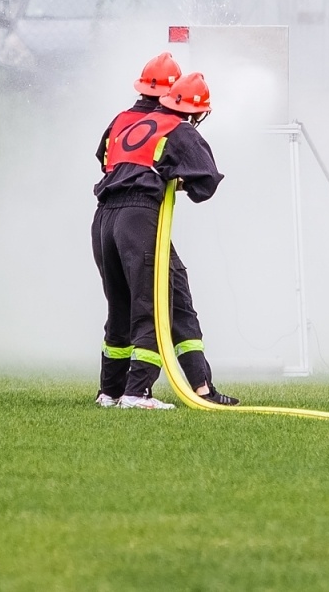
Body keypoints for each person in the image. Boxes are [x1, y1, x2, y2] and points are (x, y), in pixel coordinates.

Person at [91, 55, 239, 410]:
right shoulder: (177, 127)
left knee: (141, 301)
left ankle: (112, 391)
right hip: (140, 219)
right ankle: (137, 392)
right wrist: (179, 179)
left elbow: (106, 160)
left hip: (104, 218)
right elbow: (206, 181)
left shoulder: (123, 121)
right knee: (151, 305)